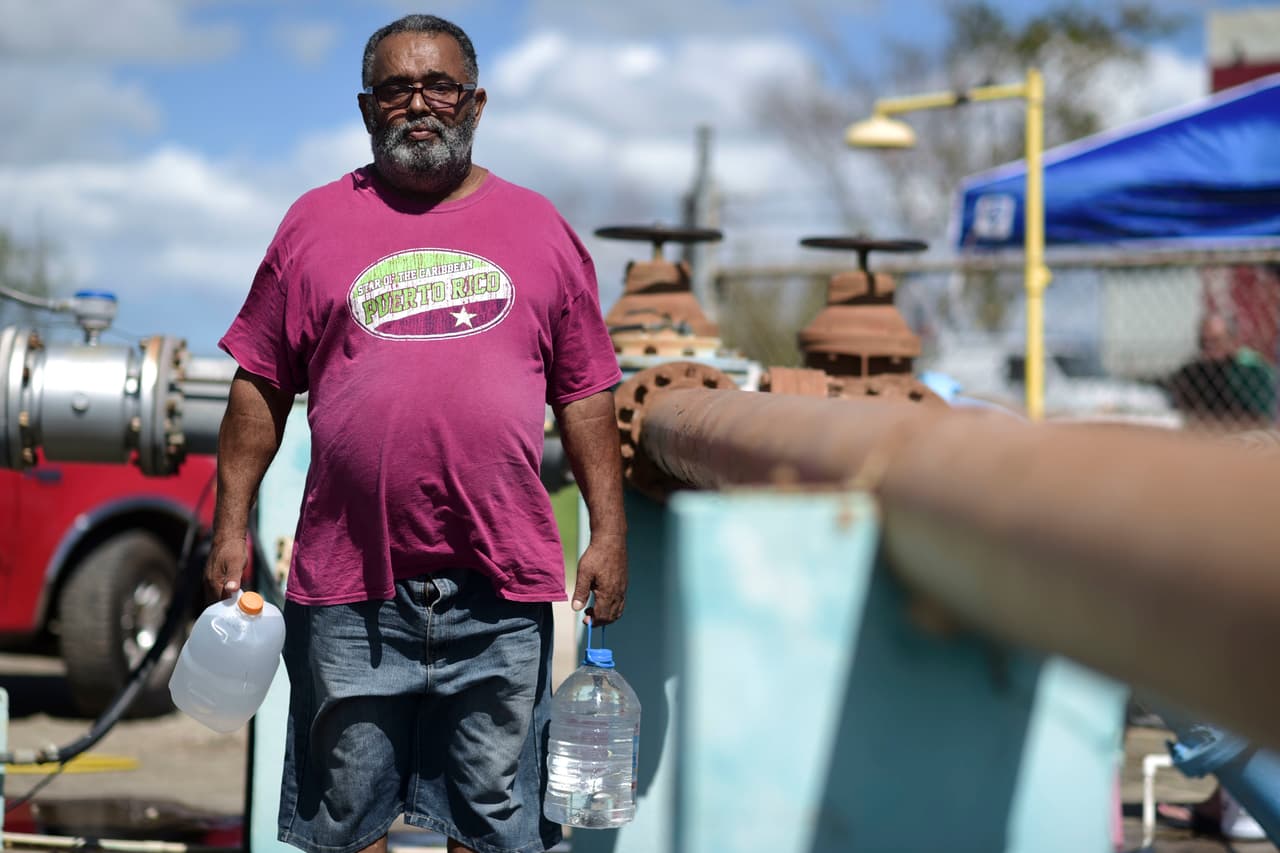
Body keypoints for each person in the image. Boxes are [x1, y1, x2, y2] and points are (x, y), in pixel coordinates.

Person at [205, 14, 627, 853]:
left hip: (500, 585)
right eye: (397, 89)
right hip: (349, 584)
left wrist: (610, 530)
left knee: (496, 822)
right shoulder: (312, 225)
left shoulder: (540, 229)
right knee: (346, 819)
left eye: (439, 87)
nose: (419, 105)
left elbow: (587, 392)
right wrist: (229, 523)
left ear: (476, 102)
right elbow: (260, 385)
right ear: (368, 109)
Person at [1168, 312, 1277, 430]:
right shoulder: (1191, 372)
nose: (1209, 346)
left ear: (1231, 340)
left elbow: (1262, 416)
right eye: (1204, 341)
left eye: (1215, 340)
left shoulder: (1251, 371)